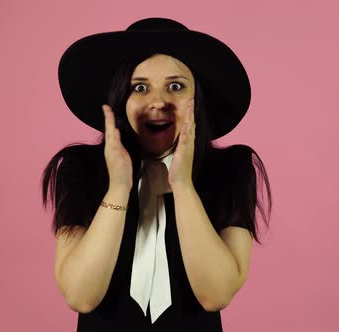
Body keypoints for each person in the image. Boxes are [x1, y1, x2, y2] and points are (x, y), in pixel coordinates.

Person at [41, 17, 272, 332]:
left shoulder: (231, 170)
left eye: (175, 86)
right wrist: (119, 187)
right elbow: (80, 295)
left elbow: (216, 294)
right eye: (140, 87)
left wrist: (183, 185)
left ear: (197, 98)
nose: (159, 102)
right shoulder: (79, 168)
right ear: (121, 97)